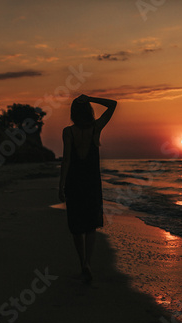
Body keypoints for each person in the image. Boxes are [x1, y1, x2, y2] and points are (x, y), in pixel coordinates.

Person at [58, 94, 117, 282]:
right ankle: (87, 263)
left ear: (73, 112)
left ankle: (82, 261)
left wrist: (61, 185)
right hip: (91, 182)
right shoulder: (95, 128)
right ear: (89, 110)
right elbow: (112, 104)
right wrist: (90, 98)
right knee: (91, 225)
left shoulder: (68, 132)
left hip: (74, 181)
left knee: (76, 226)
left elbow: (66, 160)